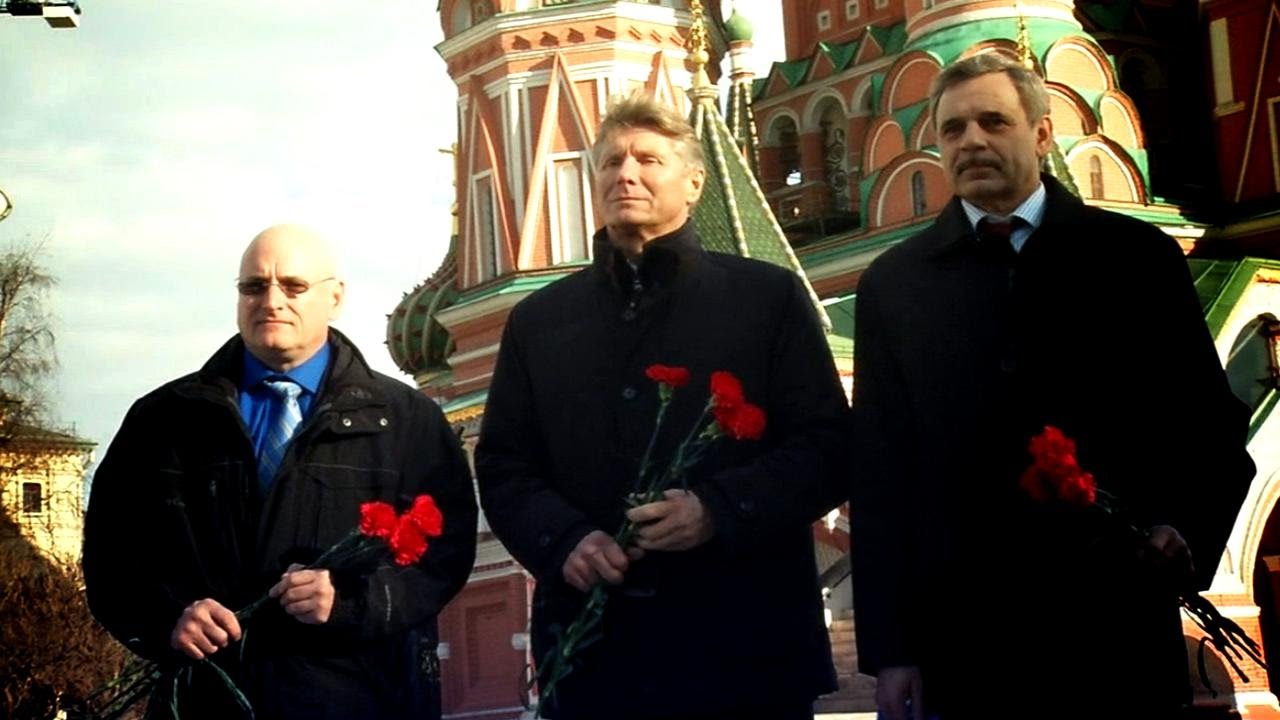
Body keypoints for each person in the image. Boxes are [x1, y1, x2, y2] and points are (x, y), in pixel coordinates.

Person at [850, 53, 1256, 720]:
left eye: (992, 121)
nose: (972, 141)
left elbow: (1207, 424)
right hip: (968, 646)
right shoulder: (895, 286)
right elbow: (880, 476)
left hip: (1112, 631)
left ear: (1041, 134)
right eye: (952, 130)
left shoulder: (1134, 259)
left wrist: (1179, 531)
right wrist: (893, 652)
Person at [475, 93, 849, 720]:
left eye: (649, 159)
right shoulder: (541, 321)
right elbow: (505, 465)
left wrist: (719, 509)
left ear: (693, 182)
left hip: (743, 650)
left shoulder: (765, 299)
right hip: (596, 657)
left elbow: (828, 447)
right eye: (611, 161)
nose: (626, 173)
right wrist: (565, 539)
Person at [83, 224, 478, 720]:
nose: (271, 301)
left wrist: (350, 601)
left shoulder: (404, 422)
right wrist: (169, 621)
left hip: (353, 698)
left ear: (334, 297)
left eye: (293, 286)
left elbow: (444, 555)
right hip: (208, 700)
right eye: (254, 286)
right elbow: (112, 558)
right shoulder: (166, 420)